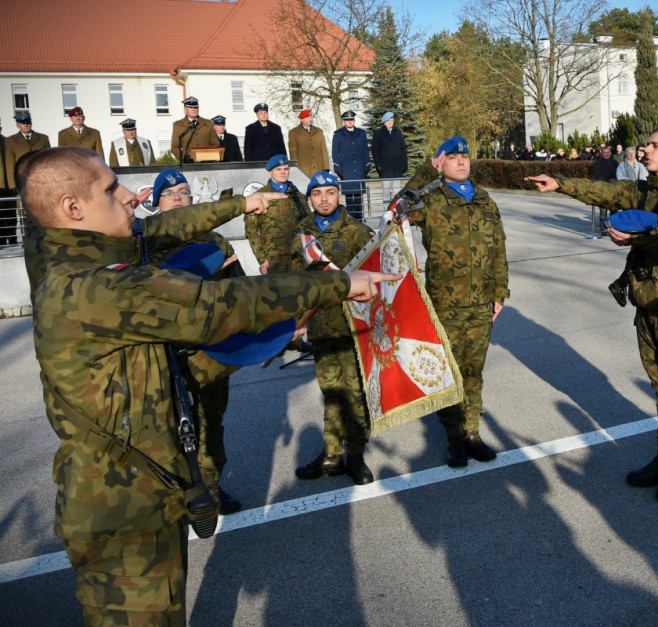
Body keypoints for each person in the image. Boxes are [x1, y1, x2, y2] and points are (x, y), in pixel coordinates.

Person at [20, 145, 397, 626]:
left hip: (144, 484)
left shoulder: (60, 249)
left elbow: (163, 227)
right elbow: (216, 305)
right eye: (111, 190)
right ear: (73, 209)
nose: (132, 198)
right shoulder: (90, 287)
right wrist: (338, 285)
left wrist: (240, 204)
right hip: (122, 510)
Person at [526, 127, 658, 503]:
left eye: (655, 146)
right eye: (646, 146)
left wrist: (640, 236)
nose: (646, 150)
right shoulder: (642, 189)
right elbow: (605, 192)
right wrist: (560, 183)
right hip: (647, 301)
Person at [408, 136, 509, 467]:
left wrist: (500, 294)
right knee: (447, 373)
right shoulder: (431, 201)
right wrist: (425, 172)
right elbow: (397, 209)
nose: (461, 161)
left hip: (481, 303)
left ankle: (472, 433)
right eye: (452, 157)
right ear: (442, 163)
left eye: (464, 156)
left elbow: (498, 251)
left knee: (474, 372)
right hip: (445, 304)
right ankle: (454, 438)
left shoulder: (485, 200)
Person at [149, 168, 242, 514]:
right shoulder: (147, 247)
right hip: (166, 355)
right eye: (170, 194)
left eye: (184, 192)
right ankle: (176, 493)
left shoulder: (215, 243)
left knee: (211, 419)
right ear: (158, 205)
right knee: (167, 426)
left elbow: (242, 294)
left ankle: (211, 485)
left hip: (211, 350)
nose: (178, 198)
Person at [293, 171, 376, 485]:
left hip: (353, 331)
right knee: (330, 393)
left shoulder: (357, 232)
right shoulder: (302, 233)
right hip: (320, 330)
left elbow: (375, 272)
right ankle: (330, 455)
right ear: (310, 198)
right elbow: (292, 280)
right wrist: (294, 322)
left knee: (354, 395)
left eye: (330, 192)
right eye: (317, 194)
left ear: (339, 195)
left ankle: (355, 456)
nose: (324, 199)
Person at [245, 154, 308, 275]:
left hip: (296, 256)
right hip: (273, 257)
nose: (283, 172)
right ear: (270, 172)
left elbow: (308, 222)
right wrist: (261, 258)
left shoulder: (297, 195)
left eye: (286, 169)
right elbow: (251, 230)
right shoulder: (260, 196)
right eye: (278, 169)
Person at [4, 113, 51, 244]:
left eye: (28, 122)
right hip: (23, 182)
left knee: (43, 210)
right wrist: (13, 185)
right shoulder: (11, 141)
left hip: (41, 181)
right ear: (17, 125)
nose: (26, 124)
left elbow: (49, 161)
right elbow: (9, 164)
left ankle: (45, 238)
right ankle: (29, 239)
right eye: (23, 123)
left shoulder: (42, 138)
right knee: (25, 212)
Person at [331, 110, 370, 220]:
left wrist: (367, 166)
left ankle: (360, 219)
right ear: (344, 121)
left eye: (351, 119)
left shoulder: (361, 133)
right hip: (346, 169)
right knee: (349, 197)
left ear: (354, 120)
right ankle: (351, 220)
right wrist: (337, 168)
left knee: (358, 196)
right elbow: (335, 152)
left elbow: (365, 150)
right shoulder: (338, 134)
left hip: (359, 168)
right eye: (347, 120)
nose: (349, 122)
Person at [170, 96, 220, 163]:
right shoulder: (178, 125)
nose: (194, 109)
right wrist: (184, 157)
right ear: (185, 109)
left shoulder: (208, 124)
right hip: (189, 164)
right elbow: (175, 147)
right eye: (191, 107)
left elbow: (215, 144)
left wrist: (209, 156)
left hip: (207, 163)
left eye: (196, 107)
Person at [288, 109, 329, 178]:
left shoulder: (319, 131)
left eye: (311, 117)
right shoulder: (293, 133)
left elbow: (323, 150)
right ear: (301, 119)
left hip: (319, 169)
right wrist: (296, 169)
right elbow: (293, 153)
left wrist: (326, 167)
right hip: (304, 169)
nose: (310, 119)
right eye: (307, 118)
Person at [371, 111, 408, 179]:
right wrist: (378, 165)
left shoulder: (398, 133)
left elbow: (403, 148)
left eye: (391, 120)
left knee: (397, 189)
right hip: (385, 169)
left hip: (397, 168)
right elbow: (375, 151)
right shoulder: (378, 134)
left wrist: (404, 163)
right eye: (388, 120)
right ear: (384, 122)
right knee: (386, 189)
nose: (390, 122)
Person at [592, 145, 620, 231]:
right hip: (603, 189)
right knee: (603, 211)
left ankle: (613, 227)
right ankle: (603, 229)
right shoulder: (597, 163)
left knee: (614, 211)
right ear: (601, 153)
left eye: (608, 152)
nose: (606, 154)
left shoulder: (615, 163)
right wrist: (607, 180)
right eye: (605, 152)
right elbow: (597, 175)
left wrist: (615, 179)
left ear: (611, 153)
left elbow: (618, 173)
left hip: (613, 189)